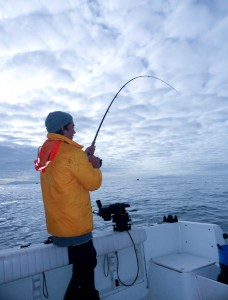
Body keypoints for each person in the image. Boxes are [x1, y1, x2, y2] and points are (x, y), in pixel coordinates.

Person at [34, 111, 102, 300]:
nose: (74, 131)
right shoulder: (72, 153)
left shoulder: (46, 152)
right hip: (76, 226)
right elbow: (93, 183)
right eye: (71, 127)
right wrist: (94, 165)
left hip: (59, 225)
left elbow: (65, 173)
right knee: (83, 272)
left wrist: (84, 157)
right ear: (63, 128)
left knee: (87, 265)